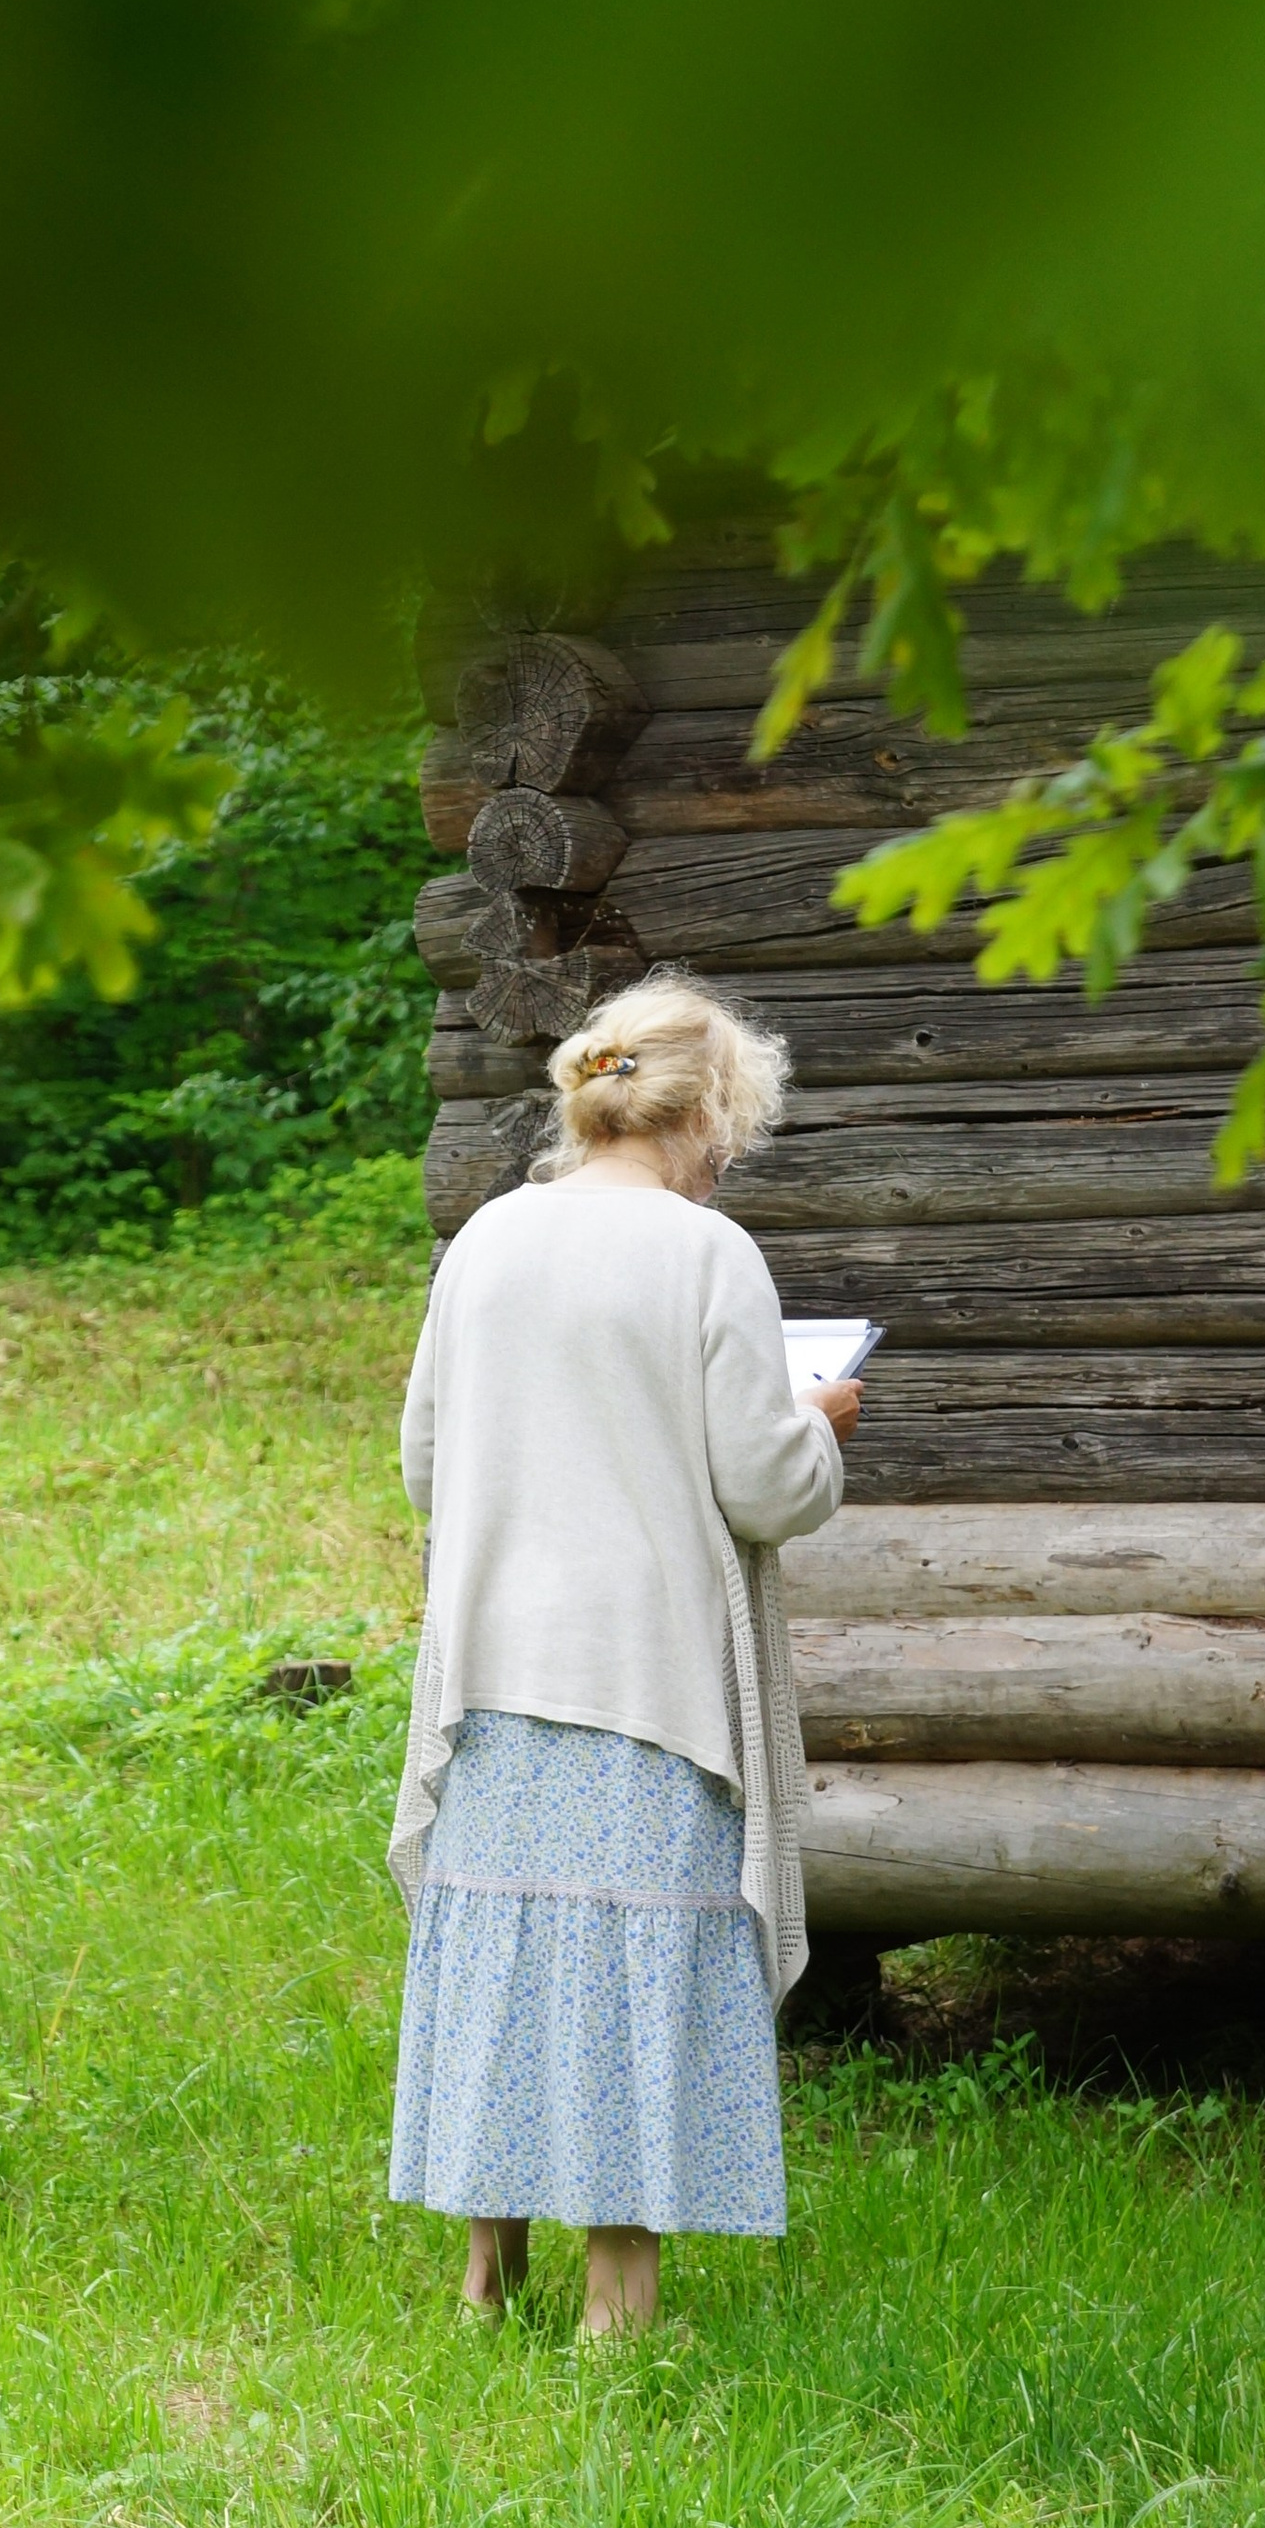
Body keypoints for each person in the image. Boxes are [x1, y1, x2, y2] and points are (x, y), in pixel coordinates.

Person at [386, 971, 862, 2337]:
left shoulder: (485, 1238)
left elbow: (428, 1460)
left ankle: (486, 2281)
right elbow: (768, 1484)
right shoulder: (706, 1254)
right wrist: (816, 1413)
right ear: (708, 1106)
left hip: (494, 1673)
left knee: (506, 1954)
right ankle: (617, 2306)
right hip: (647, 1682)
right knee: (627, 1969)